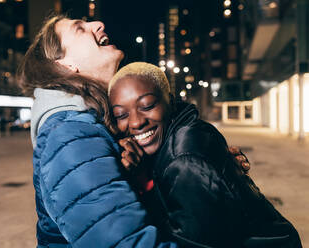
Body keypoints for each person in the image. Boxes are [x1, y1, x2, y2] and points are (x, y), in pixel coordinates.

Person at [18, 16, 178, 248]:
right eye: (80, 29)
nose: (99, 24)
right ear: (64, 64)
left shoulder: (95, 123)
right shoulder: (70, 135)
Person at [108, 62, 302, 248]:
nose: (135, 122)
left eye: (147, 106)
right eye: (121, 115)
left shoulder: (184, 162)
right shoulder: (190, 129)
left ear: (171, 101)